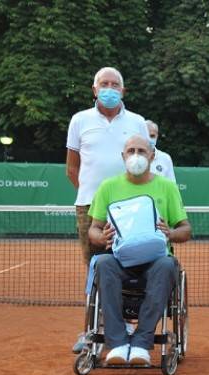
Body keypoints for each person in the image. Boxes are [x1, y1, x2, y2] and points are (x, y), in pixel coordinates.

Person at [88, 135, 191, 365]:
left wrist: (170, 233)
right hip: (119, 260)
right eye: (131, 150)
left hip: (155, 262)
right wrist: (101, 236)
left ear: (152, 156)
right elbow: (93, 230)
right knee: (103, 262)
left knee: (167, 264)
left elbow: (185, 229)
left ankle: (142, 344)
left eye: (142, 151)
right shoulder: (108, 186)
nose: (136, 155)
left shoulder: (167, 187)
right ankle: (117, 344)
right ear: (123, 156)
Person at [66, 67, 150, 267]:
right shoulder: (79, 120)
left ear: (123, 91)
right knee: (94, 264)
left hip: (131, 205)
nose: (109, 89)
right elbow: (72, 168)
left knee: (133, 263)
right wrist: (96, 198)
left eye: (115, 85)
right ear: (95, 90)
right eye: (104, 84)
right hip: (89, 206)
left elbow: (146, 163)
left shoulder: (138, 122)